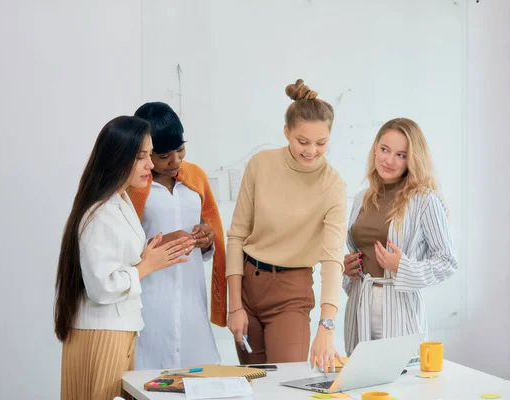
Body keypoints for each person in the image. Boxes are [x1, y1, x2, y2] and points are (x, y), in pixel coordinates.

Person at [54, 116, 195, 400]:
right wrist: (146, 266)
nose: (151, 165)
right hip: (102, 332)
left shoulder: (120, 201)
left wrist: (152, 253)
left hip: (117, 329)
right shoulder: (100, 212)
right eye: (141, 156)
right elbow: (101, 286)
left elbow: (117, 261)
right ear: (118, 157)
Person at [226, 79, 347, 373]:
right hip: (247, 287)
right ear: (286, 132)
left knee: (285, 387)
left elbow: (332, 259)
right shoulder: (261, 164)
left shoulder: (333, 186)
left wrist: (326, 327)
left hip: (291, 293)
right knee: (253, 384)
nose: (311, 151)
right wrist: (235, 305)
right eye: (302, 141)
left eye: (321, 143)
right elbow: (237, 235)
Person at [342, 118, 458, 355]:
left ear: (412, 159)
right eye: (385, 150)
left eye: (401, 155)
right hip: (359, 303)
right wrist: (348, 268)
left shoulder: (425, 201)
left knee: (400, 385)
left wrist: (403, 267)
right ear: (376, 148)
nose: (389, 160)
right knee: (360, 382)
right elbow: (359, 249)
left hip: (399, 309)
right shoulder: (361, 198)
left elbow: (447, 261)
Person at [127, 102, 226, 369]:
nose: (175, 161)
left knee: (198, 376)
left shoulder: (195, 178)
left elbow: (210, 226)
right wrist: (156, 244)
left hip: (192, 298)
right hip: (150, 299)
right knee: (147, 378)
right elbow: (121, 247)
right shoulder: (132, 186)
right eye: (163, 155)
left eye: (180, 149)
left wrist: (207, 238)